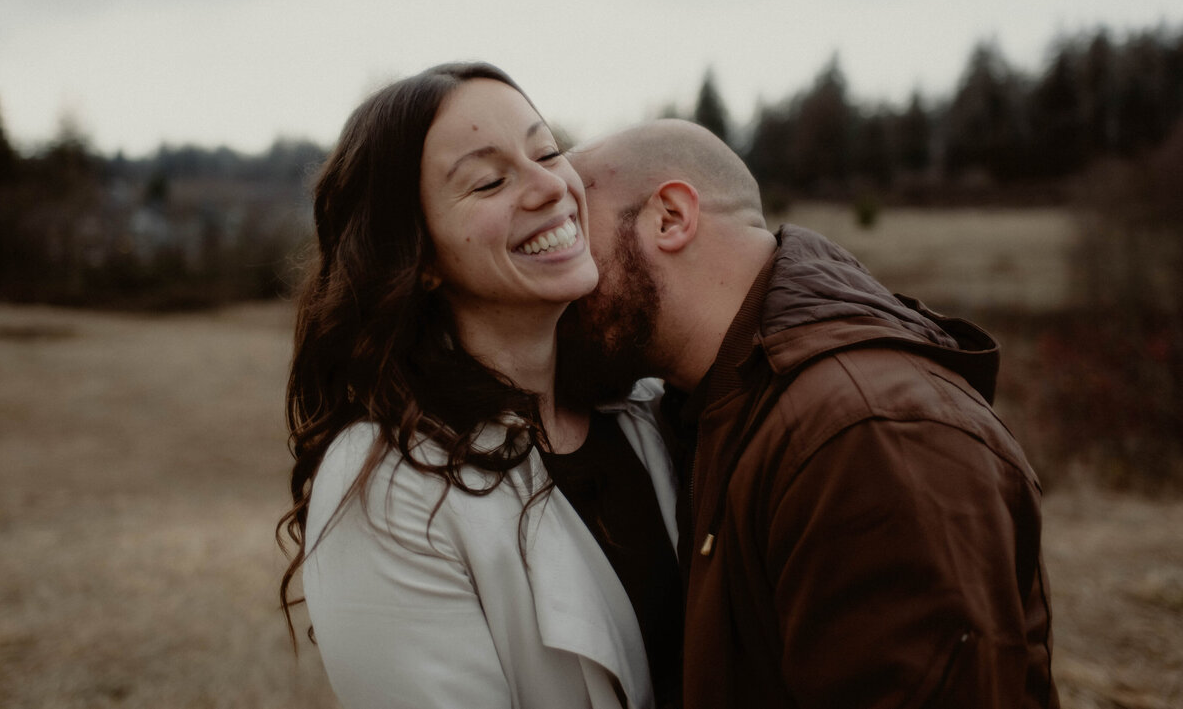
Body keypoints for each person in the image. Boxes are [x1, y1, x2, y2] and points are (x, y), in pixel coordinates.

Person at [563, 118, 1059, 708]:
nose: (559, 273)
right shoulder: (721, 408)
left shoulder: (866, 434)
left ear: (670, 217)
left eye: (573, 227)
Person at [277, 64, 683, 709]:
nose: (550, 186)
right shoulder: (391, 482)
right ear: (421, 258)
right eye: (490, 180)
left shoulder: (647, 408)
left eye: (548, 151)